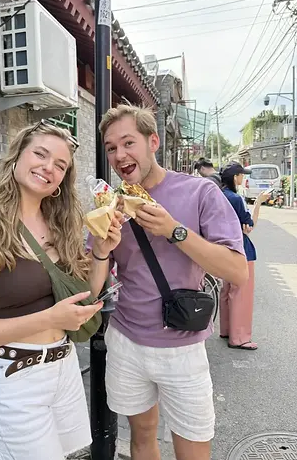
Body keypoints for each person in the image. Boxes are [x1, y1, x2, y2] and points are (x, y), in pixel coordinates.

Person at [0, 120, 122, 460]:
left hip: (63, 369)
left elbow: (83, 294)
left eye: (60, 165)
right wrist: (49, 318)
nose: (49, 168)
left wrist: (102, 250)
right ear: (16, 157)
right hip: (14, 379)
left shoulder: (61, 226)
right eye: (40, 155)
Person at [89, 104, 248, 460]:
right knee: (141, 437)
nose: (119, 155)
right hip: (127, 341)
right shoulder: (111, 204)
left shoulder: (200, 193)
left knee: (192, 445)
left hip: (183, 347)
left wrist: (173, 230)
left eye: (128, 143)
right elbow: (94, 286)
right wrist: (101, 248)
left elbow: (237, 271)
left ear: (153, 142)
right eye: (111, 148)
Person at [219, 161, 270, 351]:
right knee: (242, 294)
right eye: (242, 175)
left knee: (227, 291)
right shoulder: (235, 198)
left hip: (222, 248)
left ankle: (226, 330)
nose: (243, 178)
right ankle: (239, 337)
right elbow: (249, 227)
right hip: (241, 249)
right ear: (235, 177)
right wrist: (257, 203)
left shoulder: (219, 195)